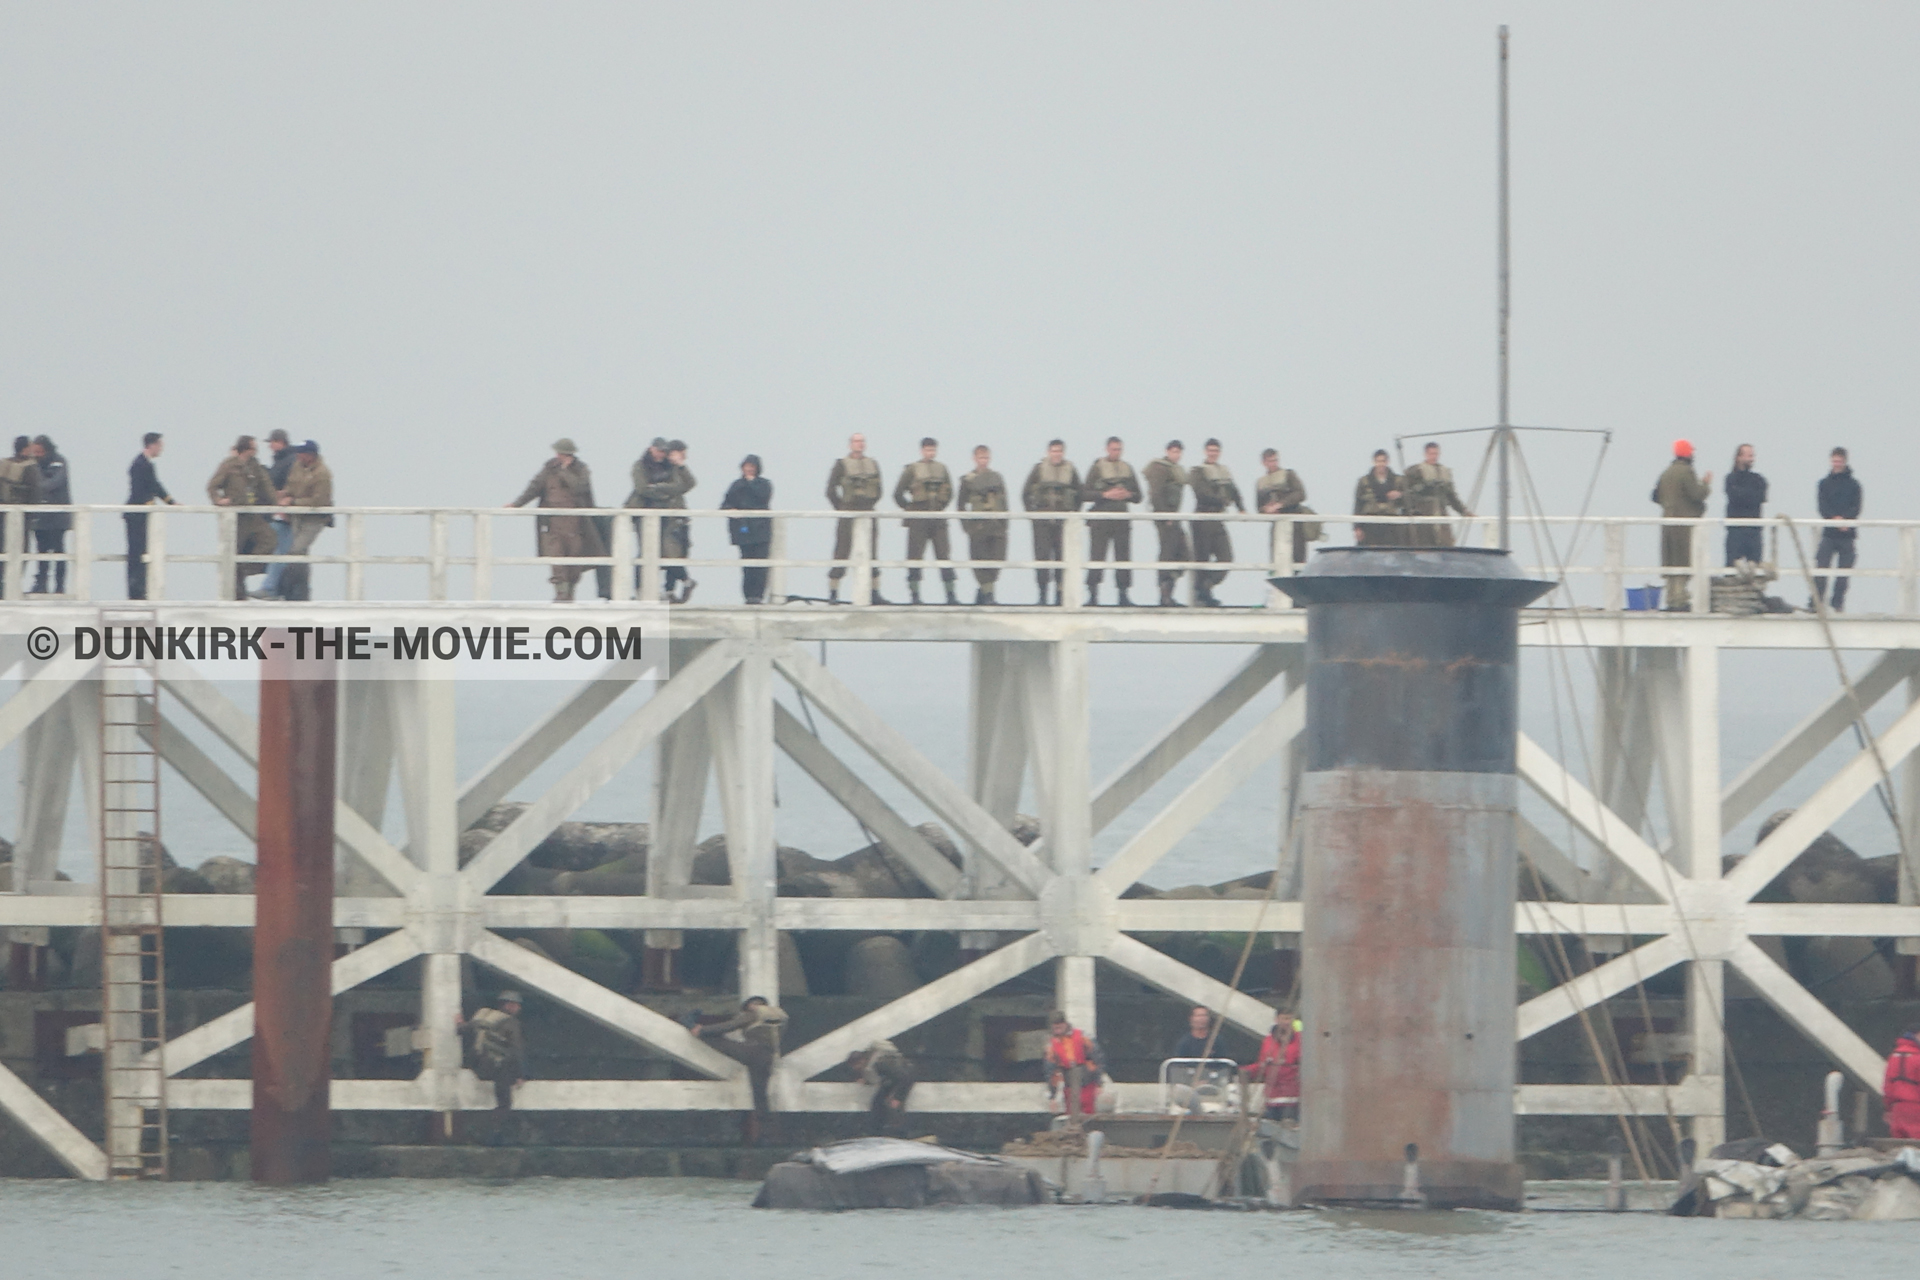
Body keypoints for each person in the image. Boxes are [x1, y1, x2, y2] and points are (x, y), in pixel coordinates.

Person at [506, 439, 606, 603]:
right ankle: (561, 594)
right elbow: (534, 487)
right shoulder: (549, 469)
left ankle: (570, 593)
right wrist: (516, 504)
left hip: (576, 523)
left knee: (574, 559)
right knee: (556, 558)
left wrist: (565, 472)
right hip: (553, 522)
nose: (558, 456)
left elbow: (580, 487)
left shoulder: (581, 470)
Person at [693, 995, 788, 1144]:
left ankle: (696, 1030)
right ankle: (768, 1135)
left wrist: (703, 1030)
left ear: (752, 1005)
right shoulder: (778, 1016)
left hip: (751, 1052)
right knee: (760, 1096)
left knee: (717, 1040)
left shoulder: (754, 1014)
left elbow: (729, 1026)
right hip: (768, 1057)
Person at [206, 435, 277, 599]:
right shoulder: (229, 465)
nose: (256, 451)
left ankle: (246, 569)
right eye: (253, 448)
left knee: (270, 539)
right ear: (246, 449)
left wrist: (276, 504)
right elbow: (212, 486)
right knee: (233, 551)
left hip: (251, 514)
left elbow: (265, 484)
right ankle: (236, 593)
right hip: (235, 517)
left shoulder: (254, 466)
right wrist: (218, 500)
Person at [627, 437, 696, 603]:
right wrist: (666, 490)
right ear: (651, 448)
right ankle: (641, 591)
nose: (661, 454)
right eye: (658, 450)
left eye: (663, 451)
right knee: (646, 552)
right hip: (644, 513)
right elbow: (642, 488)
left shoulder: (670, 467)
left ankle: (673, 588)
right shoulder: (640, 465)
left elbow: (686, 485)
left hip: (668, 515)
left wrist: (660, 487)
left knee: (669, 551)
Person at [894, 437, 958, 605]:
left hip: (937, 516)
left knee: (944, 555)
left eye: (933, 450)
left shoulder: (942, 469)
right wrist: (909, 508)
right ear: (922, 450)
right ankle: (915, 595)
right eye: (928, 450)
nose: (930, 453)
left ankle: (950, 595)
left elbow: (950, 491)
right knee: (914, 556)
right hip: (918, 517)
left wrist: (941, 504)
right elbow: (898, 493)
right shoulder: (912, 470)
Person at [1653, 440, 1713, 611]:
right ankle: (1679, 599)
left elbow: (1655, 496)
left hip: (1667, 522)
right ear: (1687, 453)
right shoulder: (1687, 472)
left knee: (1670, 559)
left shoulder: (1666, 473)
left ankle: (1671, 598)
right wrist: (1706, 484)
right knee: (1683, 559)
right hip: (1683, 524)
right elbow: (1697, 494)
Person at [826, 433, 886, 604]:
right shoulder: (841, 465)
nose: (859, 444)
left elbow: (880, 489)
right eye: (856, 441)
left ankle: (875, 592)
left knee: (872, 552)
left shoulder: (873, 464)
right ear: (850, 445)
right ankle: (833, 592)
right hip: (848, 510)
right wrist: (841, 507)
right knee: (842, 551)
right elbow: (830, 490)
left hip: (868, 511)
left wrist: (871, 503)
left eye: (862, 441)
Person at [270, 439, 333, 602]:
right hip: (298, 516)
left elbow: (319, 501)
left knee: (296, 550)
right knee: (301, 554)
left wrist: (292, 502)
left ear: (311, 455)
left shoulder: (322, 474)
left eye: (301, 453)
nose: (298, 455)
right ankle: (300, 593)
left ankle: (286, 587)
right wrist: (283, 495)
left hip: (314, 519)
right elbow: (291, 486)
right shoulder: (297, 466)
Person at [1081, 436, 1141, 607]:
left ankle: (1123, 594)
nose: (1116, 452)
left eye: (1119, 449)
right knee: (1097, 556)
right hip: (1101, 518)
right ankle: (1093, 596)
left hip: (1121, 519)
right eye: (1114, 449)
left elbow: (1138, 496)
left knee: (1123, 557)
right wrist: (1105, 495)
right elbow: (1084, 494)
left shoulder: (1127, 469)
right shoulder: (1097, 468)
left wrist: (1127, 495)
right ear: (1107, 449)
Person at [1022, 440, 1080, 606]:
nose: (1057, 454)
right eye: (1054, 451)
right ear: (1048, 452)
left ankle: (1060, 595)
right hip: (1042, 521)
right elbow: (1025, 493)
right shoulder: (1038, 469)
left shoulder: (1070, 469)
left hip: (1063, 522)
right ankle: (1042, 595)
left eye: (1059, 451)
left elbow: (1079, 493)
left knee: (1062, 558)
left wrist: (1072, 515)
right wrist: (1033, 516)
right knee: (1042, 558)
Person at [1188, 439, 1243, 608]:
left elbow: (1234, 491)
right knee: (1202, 559)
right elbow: (1201, 493)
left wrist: (1241, 507)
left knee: (1226, 558)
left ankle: (1206, 587)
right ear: (1205, 451)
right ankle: (1202, 595)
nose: (1213, 453)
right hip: (1203, 517)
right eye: (1210, 450)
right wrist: (1222, 500)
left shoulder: (1223, 471)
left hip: (1218, 519)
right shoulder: (1197, 471)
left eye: (1216, 451)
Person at [459, 990, 527, 1112]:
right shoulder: (511, 1023)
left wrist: (460, 1024)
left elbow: (464, 1030)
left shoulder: (484, 1015)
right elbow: (517, 1049)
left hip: (476, 1064)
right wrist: (520, 1074)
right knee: (504, 1065)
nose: (518, 1008)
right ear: (508, 1005)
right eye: (516, 1005)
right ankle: (503, 1107)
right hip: (495, 1069)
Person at [125, 433, 174, 600]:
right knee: (136, 553)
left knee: (143, 552)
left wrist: (171, 502)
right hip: (137, 516)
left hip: (144, 515)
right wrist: (150, 505)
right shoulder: (139, 464)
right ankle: (136, 591)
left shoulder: (146, 464)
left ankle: (141, 589)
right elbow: (141, 490)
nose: (161, 448)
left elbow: (155, 486)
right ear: (151, 445)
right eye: (159, 445)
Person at [957, 445, 1008, 604]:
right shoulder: (967, 480)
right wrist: (967, 527)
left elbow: (1004, 501)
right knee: (980, 561)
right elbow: (960, 505)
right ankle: (988, 595)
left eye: (985, 458)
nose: (983, 461)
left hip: (996, 525)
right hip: (978, 526)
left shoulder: (997, 477)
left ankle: (984, 591)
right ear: (974, 459)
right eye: (980, 458)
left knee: (997, 560)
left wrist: (1005, 524)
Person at [1814, 447, 1862, 613]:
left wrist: (1845, 520)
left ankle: (1837, 604)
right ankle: (1817, 603)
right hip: (1829, 533)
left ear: (1845, 461)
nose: (1837, 463)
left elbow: (1856, 507)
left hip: (1847, 534)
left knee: (1843, 573)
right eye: (1834, 460)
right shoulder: (1823, 484)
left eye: (1839, 460)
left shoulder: (1854, 485)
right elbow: (1822, 507)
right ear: (1831, 461)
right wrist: (1834, 519)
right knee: (1821, 568)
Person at [721, 454, 774, 604]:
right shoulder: (736, 485)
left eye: (752, 467)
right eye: (746, 466)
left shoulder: (765, 484)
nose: (749, 469)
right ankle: (748, 596)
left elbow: (763, 497)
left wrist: (751, 483)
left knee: (761, 565)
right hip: (744, 532)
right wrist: (731, 510)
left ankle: (758, 595)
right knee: (747, 565)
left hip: (761, 531)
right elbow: (725, 503)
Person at [1143, 440, 1189, 608]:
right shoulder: (1160, 468)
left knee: (1183, 553)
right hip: (1165, 518)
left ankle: (1170, 591)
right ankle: (1164, 595)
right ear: (1167, 451)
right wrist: (1165, 515)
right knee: (1168, 553)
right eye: (1173, 451)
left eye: (1179, 452)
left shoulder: (1175, 469)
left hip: (1174, 516)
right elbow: (1156, 493)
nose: (1176, 455)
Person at [1402, 442, 1471, 547]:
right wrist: (1422, 487)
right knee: (1423, 543)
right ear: (1425, 454)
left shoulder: (1445, 472)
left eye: (1436, 454)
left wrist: (1463, 511)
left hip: (1441, 511)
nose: (1434, 456)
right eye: (1431, 454)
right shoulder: (1416, 470)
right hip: (1423, 512)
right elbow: (1406, 492)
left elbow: (1452, 496)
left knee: (1446, 543)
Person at [256, 429, 298, 599]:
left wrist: (283, 501)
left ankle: (272, 588)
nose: (270, 447)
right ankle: (274, 588)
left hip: (285, 515)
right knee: (278, 550)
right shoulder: (282, 460)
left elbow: (291, 485)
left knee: (280, 551)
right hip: (278, 514)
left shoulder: (289, 461)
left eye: (272, 442)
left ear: (281, 442)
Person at [1043, 1010, 1103, 1123]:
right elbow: (1051, 1072)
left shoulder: (1082, 1036)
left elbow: (1097, 1059)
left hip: (1088, 1082)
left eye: (1060, 1026)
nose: (1057, 1030)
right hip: (1069, 1085)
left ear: (1065, 1024)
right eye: (1055, 1028)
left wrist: (1099, 1083)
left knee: (1089, 1116)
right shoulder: (1051, 1045)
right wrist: (1053, 1095)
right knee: (1071, 1116)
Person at [28, 436, 70, 595]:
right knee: (42, 552)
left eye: (39, 451)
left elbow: (54, 482)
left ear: (47, 449)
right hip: (40, 517)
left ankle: (60, 587)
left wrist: (36, 484)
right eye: (34, 452)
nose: (37, 455)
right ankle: (41, 585)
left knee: (59, 551)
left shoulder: (60, 462)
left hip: (57, 517)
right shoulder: (33, 464)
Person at [1255, 448, 1311, 567]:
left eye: (1275, 460)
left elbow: (1300, 494)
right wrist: (1267, 510)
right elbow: (1259, 507)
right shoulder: (1261, 482)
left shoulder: (1288, 475)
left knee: (1298, 559)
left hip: (1294, 520)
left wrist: (1280, 504)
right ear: (1264, 463)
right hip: (1276, 523)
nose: (1273, 464)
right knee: (1277, 559)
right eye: (1270, 461)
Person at [846, 1039, 915, 1136]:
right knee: (877, 1103)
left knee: (893, 1107)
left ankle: (899, 1134)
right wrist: (866, 1081)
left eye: (856, 1065)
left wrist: (899, 1097)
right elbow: (878, 1078)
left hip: (900, 1080)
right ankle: (878, 1132)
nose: (856, 1069)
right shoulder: (870, 1065)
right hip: (892, 1080)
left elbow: (906, 1077)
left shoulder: (881, 1063)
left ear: (862, 1060)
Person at [0, 436, 40, 598]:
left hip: (3, 516)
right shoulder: (30, 468)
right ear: (25, 449)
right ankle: (13, 586)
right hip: (21, 517)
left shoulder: (3, 464)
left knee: (3, 551)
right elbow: (35, 493)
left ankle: (2, 587)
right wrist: (33, 515)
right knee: (21, 551)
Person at [1250, 1012, 1301, 1122]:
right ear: (1276, 1020)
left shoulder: (1300, 1040)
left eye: (1288, 1018)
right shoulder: (1268, 1041)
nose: (1286, 1022)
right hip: (1272, 1096)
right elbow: (1262, 1063)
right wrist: (1245, 1071)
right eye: (1283, 1018)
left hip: (1293, 1097)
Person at [1723, 443, 1767, 567]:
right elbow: (1734, 496)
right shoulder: (1730, 479)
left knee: (1755, 568)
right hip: (1735, 530)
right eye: (1748, 455)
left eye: (1752, 456)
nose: (1751, 459)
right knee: (1731, 568)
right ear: (1739, 457)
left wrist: (1742, 495)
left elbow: (1761, 497)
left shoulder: (1759, 479)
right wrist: (1750, 496)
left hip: (1754, 530)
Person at [1353, 449, 1406, 547]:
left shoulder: (1398, 481)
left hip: (1391, 525)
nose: (1381, 464)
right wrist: (1357, 527)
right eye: (1378, 461)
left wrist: (1399, 495)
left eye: (1383, 461)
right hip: (1370, 523)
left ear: (1387, 462)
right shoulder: (1364, 482)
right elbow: (1358, 504)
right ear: (1374, 462)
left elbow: (1408, 501)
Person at [1884, 1026, 1920, 1140]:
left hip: (1897, 1108)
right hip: (1916, 1108)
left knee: (1899, 1146)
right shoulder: (1918, 1058)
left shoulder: (1893, 1057)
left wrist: (1888, 1109)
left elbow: (1887, 1087)